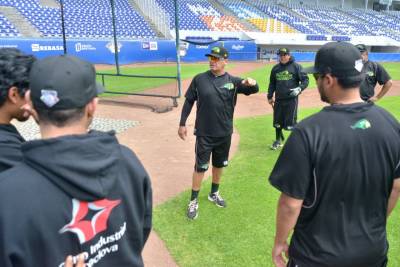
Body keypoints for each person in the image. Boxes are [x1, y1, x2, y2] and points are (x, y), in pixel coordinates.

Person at [0, 55, 152, 267]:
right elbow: (139, 233)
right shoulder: (128, 161)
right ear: (92, 106)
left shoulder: (7, 194)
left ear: (31, 106)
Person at [269, 42, 400, 267]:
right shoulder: (391, 124)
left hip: (316, 256)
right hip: (372, 252)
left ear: (329, 80)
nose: (317, 81)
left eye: (319, 76)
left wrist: (280, 241)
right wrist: (372, 227)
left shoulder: (308, 131)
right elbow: (396, 187)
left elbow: (290, 204)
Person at [178, 46, 259, 220]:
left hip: (224, 133)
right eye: (211, 58)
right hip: (204, 133)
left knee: (219, 165)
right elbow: (189, 101)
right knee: (200, 167)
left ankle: (214, 193)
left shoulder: (233, 81)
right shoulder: (199, 79)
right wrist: (182, 123)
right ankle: (193, 200)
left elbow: (253, 90)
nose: (212, 61)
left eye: (216, 59)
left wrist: (252, 83)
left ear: (225, 61)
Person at [0, 48, 35, 172]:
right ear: (14, 95)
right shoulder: (5, 148)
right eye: (32, 93)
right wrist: (50, 125)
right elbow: (51, 176)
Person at [267, 48, 309, 150]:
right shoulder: (275, 68)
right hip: (279, 99)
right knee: (277, 122)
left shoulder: (296, 67)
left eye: (284, 55)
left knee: (291, 124)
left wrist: (299, 89)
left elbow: (305, 80)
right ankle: (278, 141)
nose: (282, 57)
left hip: (291, 100)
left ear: (289, 55)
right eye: (280, 55)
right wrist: (269, 96)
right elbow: (272, 83)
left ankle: (296, 143)